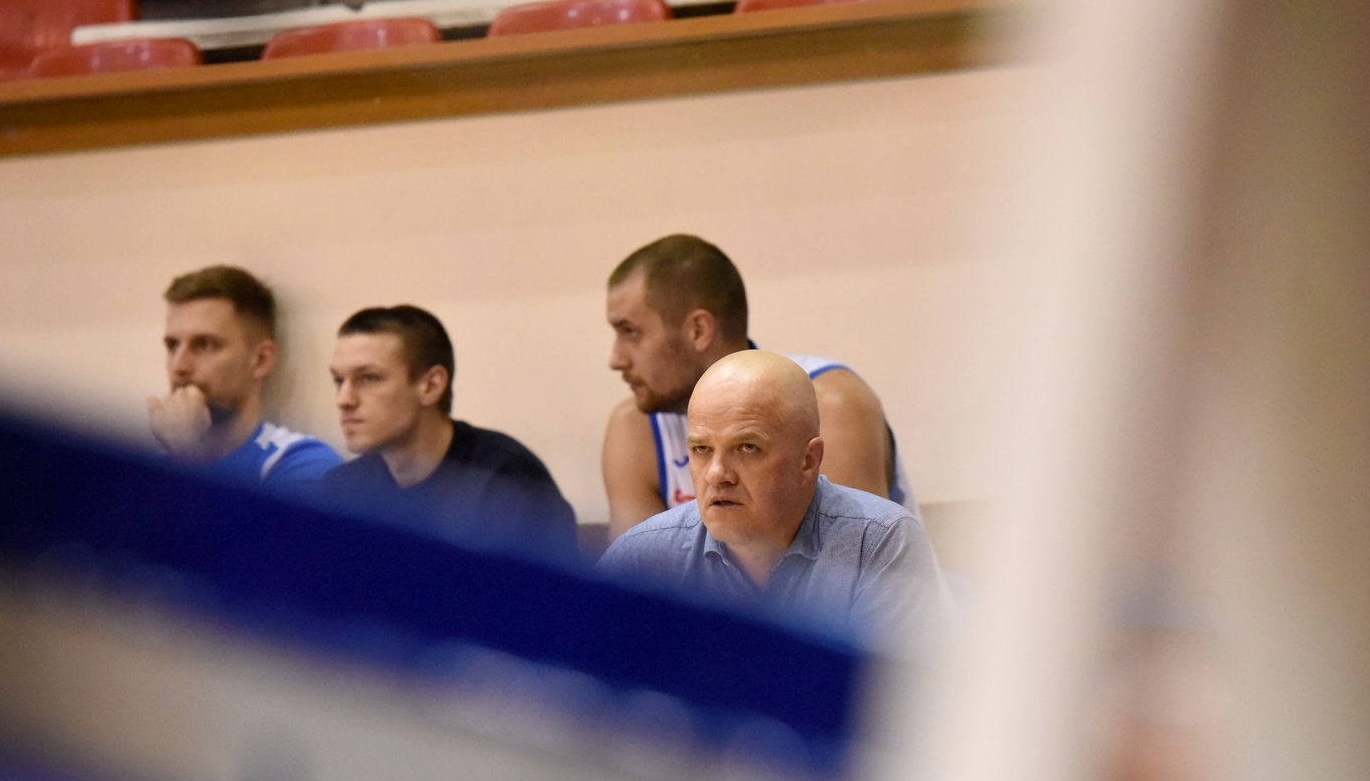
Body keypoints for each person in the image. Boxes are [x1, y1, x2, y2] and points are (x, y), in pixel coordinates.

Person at [597, 351, 947, 648]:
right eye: (701, 449)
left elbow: (894, 704)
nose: (717, 474)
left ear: (807, 461)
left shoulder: (877, 543)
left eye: (747, 448)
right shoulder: (642, 558)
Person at [602, 233, 915, 541]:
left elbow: (850, 563)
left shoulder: (830, 407)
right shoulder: (635, 430)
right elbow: (637, 572)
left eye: (630, 332)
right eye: (701, 449)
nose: (616, 360)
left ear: (698, 330)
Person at [322, 305, 579, 565]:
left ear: (431, 385)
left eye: (369, 378)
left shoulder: (506, 483)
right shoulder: (342, 491)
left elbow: (549, 590)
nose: (344, 400)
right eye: (339, 381)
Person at [149, 265, 341, 490]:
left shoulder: (303, 463)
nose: (179, 366)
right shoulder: (151, 467)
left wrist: (186, 454)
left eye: (205, 345)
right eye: (173, 346)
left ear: (261, 360)